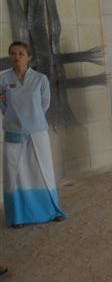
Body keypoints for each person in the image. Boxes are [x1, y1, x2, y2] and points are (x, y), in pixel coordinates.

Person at [0, 42, 65, 228]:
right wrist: (16, 119)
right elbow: (3, 105)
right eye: (13, 53)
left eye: (21, 53)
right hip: (13, 132)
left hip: (37, 132)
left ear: (29, 57)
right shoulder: (3, 80)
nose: (17, 57)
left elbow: (44, 105)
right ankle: (18, 216)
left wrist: (32, 120)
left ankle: (50, 210)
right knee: (15, 173)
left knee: (42, 170)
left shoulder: (40, 79)